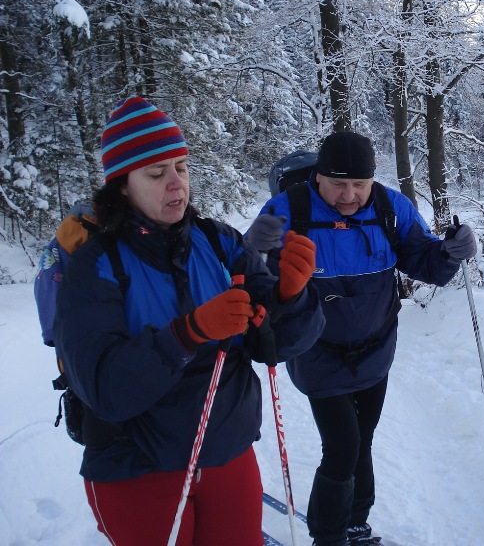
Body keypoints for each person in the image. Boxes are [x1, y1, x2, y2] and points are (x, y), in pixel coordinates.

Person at [53, 96, 325, 546]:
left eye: (181, 167)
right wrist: (190, 332)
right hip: (136, 467)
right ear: (122, 185)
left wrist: (290, 297)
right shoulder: (96, 265)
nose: (175, 184)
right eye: (156, 174)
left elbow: (275, 344)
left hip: (225, 452)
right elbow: (104, 388)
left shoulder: (218, 243)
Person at [247, 131, 477, 546]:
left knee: (362, 441)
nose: (349, 195)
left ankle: (355, 522)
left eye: (359, 184)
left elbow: (421, 259)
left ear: (372, 180)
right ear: (318, 177)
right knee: (343, 446)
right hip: (316, 351)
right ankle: (329, 535)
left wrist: (449, 252)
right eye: (338, 184)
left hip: (375, 349)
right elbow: (253, 281)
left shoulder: (391, 208)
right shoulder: (288, 210)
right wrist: (252, 249)